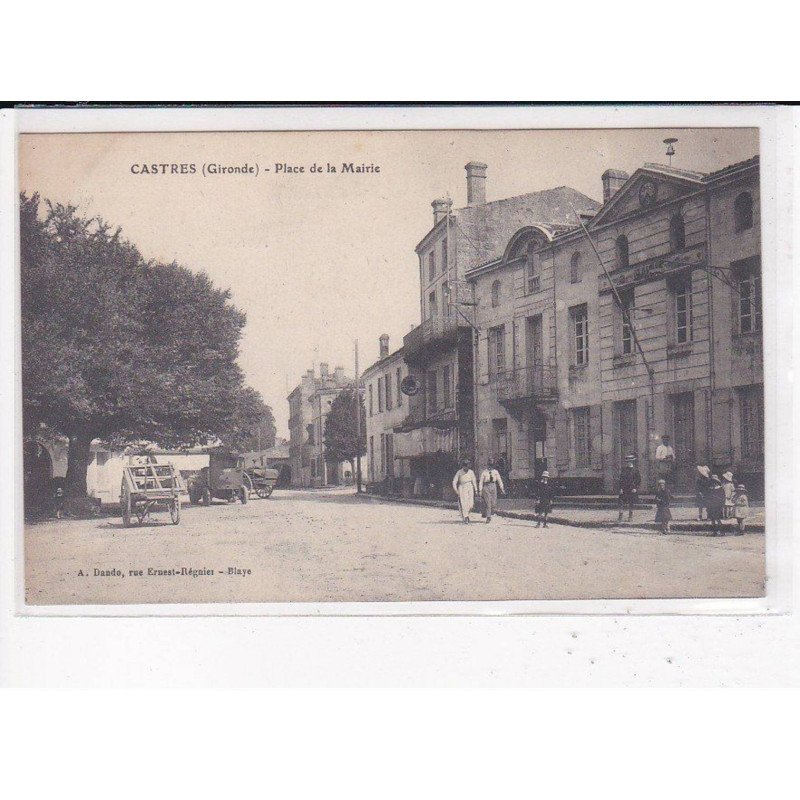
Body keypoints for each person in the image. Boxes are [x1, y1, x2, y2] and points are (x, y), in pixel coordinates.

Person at [479, 459, 506, 523]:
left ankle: (485, 512)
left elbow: (499, 480)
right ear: (487, 465)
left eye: (491, 465)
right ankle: (488, 517)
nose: (490, 466)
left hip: (493, 486)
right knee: (488, 502)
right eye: (489, 465)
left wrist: (502, 488)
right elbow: (481, 482)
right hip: (486, 487)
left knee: (493, 503)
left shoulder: (495, 472)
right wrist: (480, 490)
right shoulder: (484, 472)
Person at [452, 459, 478, 524]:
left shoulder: (471, 472)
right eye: (465, 466)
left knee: (471, 504)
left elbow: (474, 481)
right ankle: (466, 517)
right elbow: (454, 481)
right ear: (463, 466)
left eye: (468, 466)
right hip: (462, 487)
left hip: (470, 486)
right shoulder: (459, 472)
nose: (467, 467)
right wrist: (456, 490)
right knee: (464, 503)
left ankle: (466, 515)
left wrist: (476, 489)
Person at [617, 455, 641, 522]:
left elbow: (638, 480)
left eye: (630, 461)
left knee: (631, 502)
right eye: (627, 462)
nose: (629, 463)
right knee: (621, 502)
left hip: (632, 489)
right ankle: (620, 516)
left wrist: (635, 488)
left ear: (633, 462)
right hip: (624, 488)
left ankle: (630, 516)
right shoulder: (624, 470)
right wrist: (621, 488)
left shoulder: (635, 470)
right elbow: (621, 480)